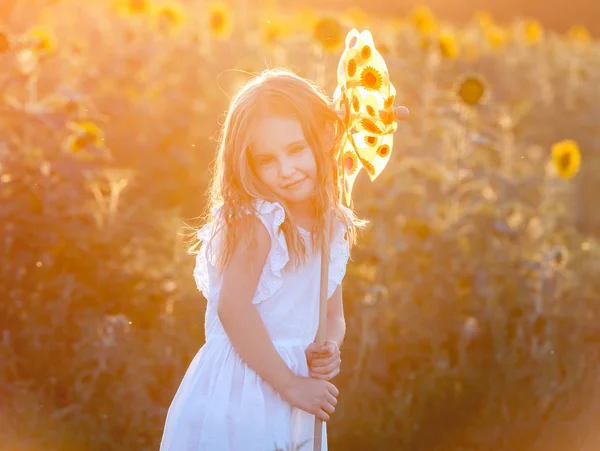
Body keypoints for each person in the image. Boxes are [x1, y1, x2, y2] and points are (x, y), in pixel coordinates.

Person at [159, 68, 405, 451]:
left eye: (296, 149)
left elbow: (333, 315)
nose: (286, 170)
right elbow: (233, 308)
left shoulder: (331, 224)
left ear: (323, 141)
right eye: (267, 160)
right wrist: (290, 385)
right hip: (245, 390)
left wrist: (329, 347)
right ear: (248, 165)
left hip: (297, 387)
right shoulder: (260, 221)